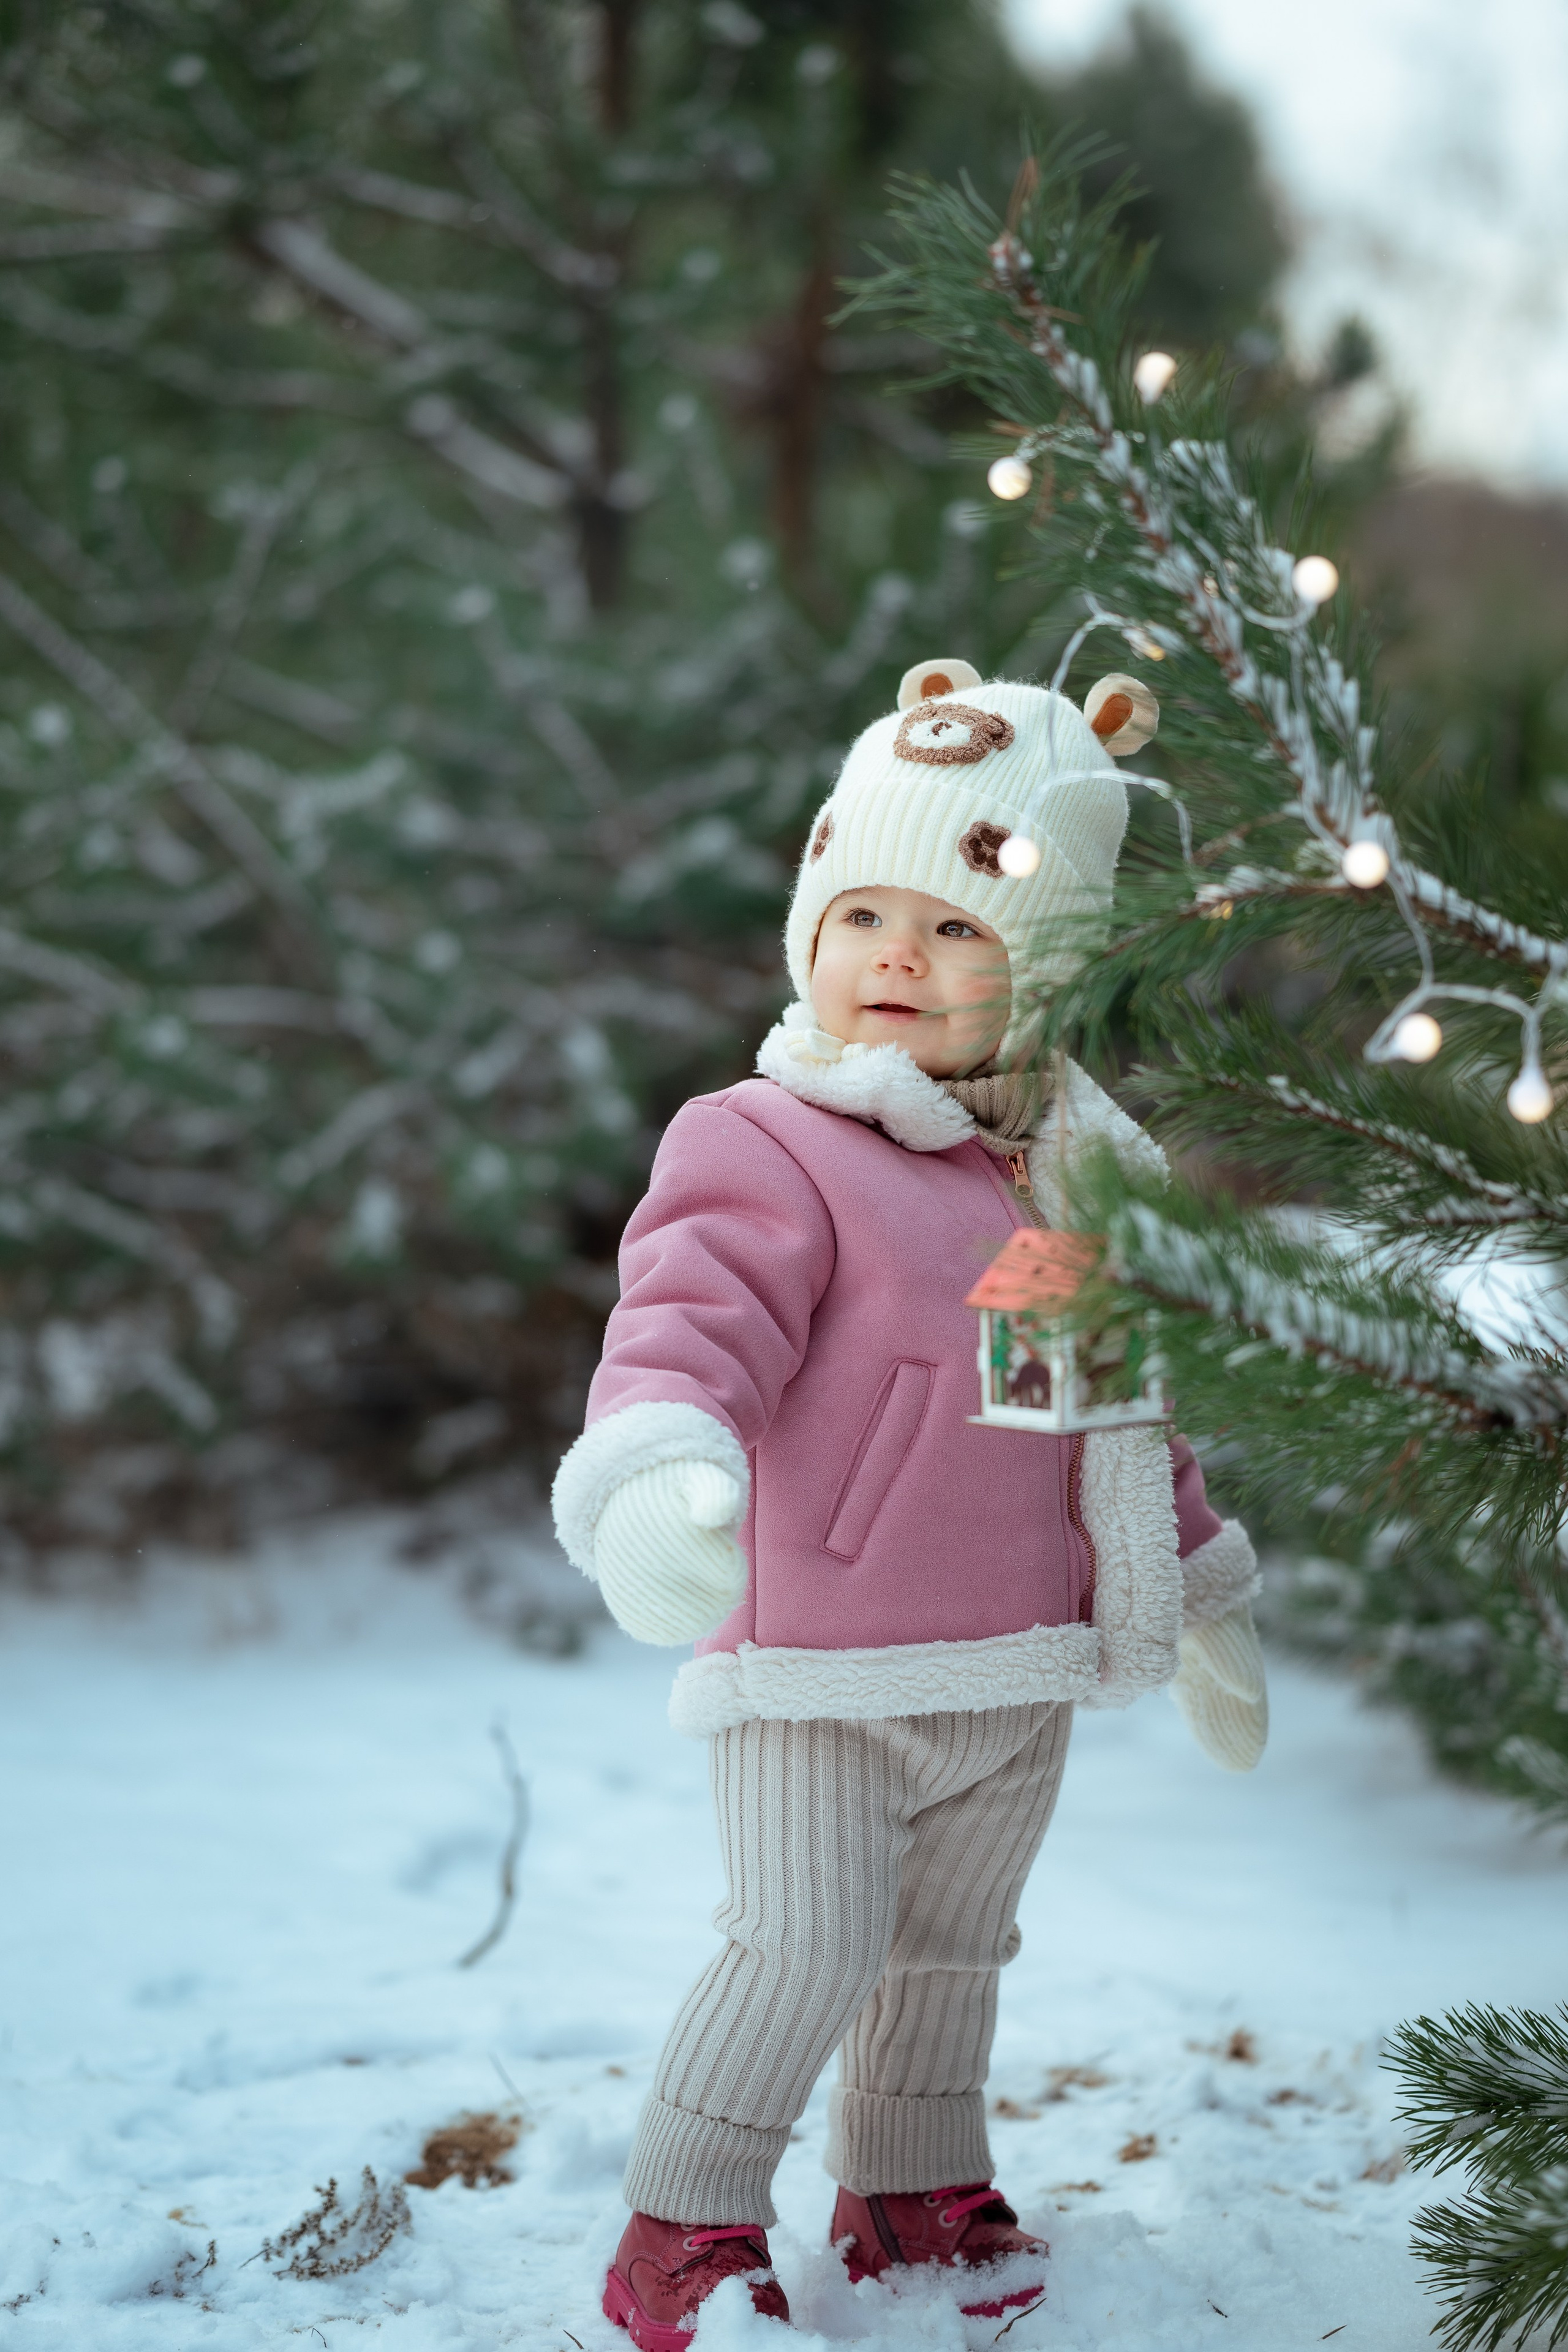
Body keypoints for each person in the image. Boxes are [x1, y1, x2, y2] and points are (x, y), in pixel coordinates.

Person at [552, 657, 1268, 2348]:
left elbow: (1107, 1409)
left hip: (1017, 1660)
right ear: (810, 920)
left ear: (1052, 967)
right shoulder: (770, 1142)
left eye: (960, 925)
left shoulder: (1074, 1173)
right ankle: (685, 2220)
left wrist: (1204, 1591)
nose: (900, 954)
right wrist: (658, 1461)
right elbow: (688, 1319)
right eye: (865, 908)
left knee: (955, 1948)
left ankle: (906, 2179)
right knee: (802, 1944)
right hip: (825, 1656)